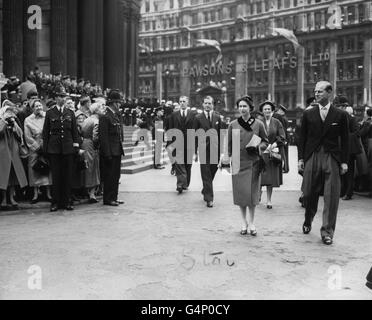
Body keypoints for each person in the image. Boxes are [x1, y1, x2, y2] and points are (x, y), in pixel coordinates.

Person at [298, 81, 349, 245]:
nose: (316, 94)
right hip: (312, 156)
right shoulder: (308, 114)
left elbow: (346, 140)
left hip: (331, 157)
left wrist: (344, 162)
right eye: (315, 91)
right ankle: (308, 219)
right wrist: (300, 159)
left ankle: (327, 231)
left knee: (331, 196)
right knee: (308, 193)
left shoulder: (340, 115)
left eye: (320, 91)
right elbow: (302, 138)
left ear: (329, 93)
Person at [228, 96, 268, 236]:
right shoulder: (233, 124)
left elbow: (265, 142)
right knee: (241, 195)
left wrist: (257, 147)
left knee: (251, 195)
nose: (242, 109)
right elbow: (229, 144)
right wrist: (226, 158)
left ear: (250, 108)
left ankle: (251, 222)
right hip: (238, 162)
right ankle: (243, 222)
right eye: (240, 106)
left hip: (253, 162)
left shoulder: (258, 124)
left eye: (245, 106)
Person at [42, 85, 80, 212]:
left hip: (68, 149)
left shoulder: (70, 113)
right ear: (55, 97)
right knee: (56, 176)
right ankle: (55, 202)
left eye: (64, 96)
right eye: (60, 96)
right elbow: (45, 133)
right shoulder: (50, 113)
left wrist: (76, 146)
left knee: (67, 176)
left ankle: (67, 201)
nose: (62, 98)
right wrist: (46, 149)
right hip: (54, 149)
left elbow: (75, 132)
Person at [194, 96, 222, 208]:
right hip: (203, 149)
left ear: (213, 105)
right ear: (202, 104)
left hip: (215, 149)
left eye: (209, 103)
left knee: (213, 170)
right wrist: (195, 151)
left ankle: (206, 189)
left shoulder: (217, 117)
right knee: (205, 173)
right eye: (205, 103)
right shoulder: (197, 118)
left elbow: (220, 134)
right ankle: (209, 199)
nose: (207, 105)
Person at [99, 90, 125, 207]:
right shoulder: (105, 117)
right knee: (110, 176)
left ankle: (114, 197)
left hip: (116, 150)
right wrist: (107, 154)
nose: (120, 105)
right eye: (118, 102)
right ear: (114, 103)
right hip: (110, 152)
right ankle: (108, 198)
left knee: (116, 176)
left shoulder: (115, 115)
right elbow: (103, 138)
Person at [0, 101, 28, 210]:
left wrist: (13, 126)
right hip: (3, 151)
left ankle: (11, 198)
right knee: (3, 176)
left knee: (13, 176)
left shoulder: (14, 121)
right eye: (7, 112)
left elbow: (20, 134)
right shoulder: (1, 120)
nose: (9, 114)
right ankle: (3, 199)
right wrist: (4, 122)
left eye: (10, 112)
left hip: (13, 151)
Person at [24, 99, 52, 203]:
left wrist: (46, 146)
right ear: (32, 108)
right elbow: (27, 136)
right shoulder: (28, 120)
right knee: (34, 169)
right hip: (34, 146)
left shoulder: (47, 116)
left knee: (48, 168)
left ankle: (48, 193)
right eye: (36, 106)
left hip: (46, 145)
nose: (39, 108)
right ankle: (35, 194)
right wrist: (37, 147)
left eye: (40, 106)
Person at [259, 101, 286, 209]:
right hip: (261, 152)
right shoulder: (258, 122)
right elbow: (255, 136)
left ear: (272, 111)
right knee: (260, 176)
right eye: (265, 109)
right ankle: (259, 191)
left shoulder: (277, 122)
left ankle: (269, 200)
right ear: (262, 111)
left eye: (269, 109)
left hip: (273, 153)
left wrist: (274, 144)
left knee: (270, 178)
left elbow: (282, 136)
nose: (267, 111)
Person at [168, 96, 197, 192]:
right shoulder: (174, 115)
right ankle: (180, 184)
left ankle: (186, 183)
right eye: (180, 101)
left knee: (188, 165)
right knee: (179, 164)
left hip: (189, 144)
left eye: (184, 101)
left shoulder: (193, 114)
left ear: (187, 102)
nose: (182, 103)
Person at [80, 102, 103, 203]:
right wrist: (98, 146)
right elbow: (95, 137)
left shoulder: (87, 119)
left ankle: (87, 191)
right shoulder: (96, 121)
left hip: (84, 143)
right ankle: (92, 193)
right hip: (91, 145)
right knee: (93, 168)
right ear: (97, 110)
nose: (103, 110)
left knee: (86, 167)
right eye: (101, 108)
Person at [273, 104, 290, 173]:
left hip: (284, 138)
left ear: (282, 111)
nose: (278, 111)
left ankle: (285, 168)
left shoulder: (282, 118)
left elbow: (283, 129)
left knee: (284, 154)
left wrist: (284, 139)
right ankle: (286, 168)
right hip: (285, 138)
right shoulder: (284, 118)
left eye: (279, 110)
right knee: (285, 154)